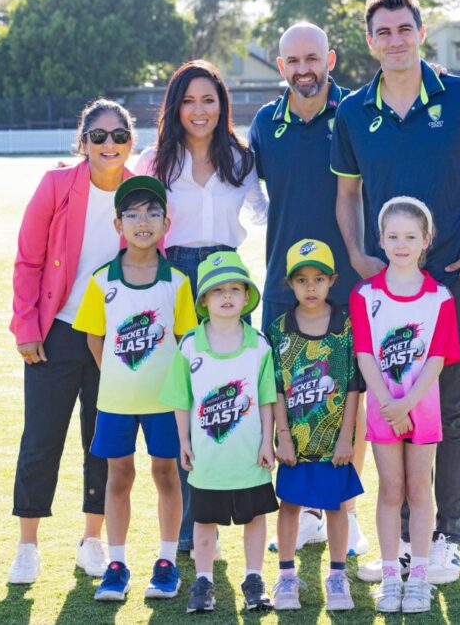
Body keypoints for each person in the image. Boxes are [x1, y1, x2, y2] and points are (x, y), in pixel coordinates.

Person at [332, 0, 460, 584]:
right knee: (393, 408)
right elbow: (347, 193)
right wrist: (357, 254)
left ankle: (445, 540)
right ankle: (404, 546)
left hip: (456, 285)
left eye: (404, 29)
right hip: (389, 294)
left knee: (452, 411)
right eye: (383, 32)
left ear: (421, 32)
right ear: (369, 42)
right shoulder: (353, 112)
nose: (395, 40)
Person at [136, 59, 268, 556]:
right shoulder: (156, 160)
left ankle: (239, 508)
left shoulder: (240, 158)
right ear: (175, 106)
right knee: (186, 401)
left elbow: (264, 211)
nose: (199, 110)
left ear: (222, 106)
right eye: (189, 100)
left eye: (208, 100)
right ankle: (192, 525)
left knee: (230, 397)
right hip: (174, 279)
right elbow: (133, 217)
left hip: (227, 278)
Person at [249, 22, 370, 558]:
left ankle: (346, 510)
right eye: (293, 61)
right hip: (284, 285)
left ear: (331, 59)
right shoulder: (263, 124)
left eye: (313, 58)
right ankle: (303, 511)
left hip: (348, 283)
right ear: (281, 67)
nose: (304, 69)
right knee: (289, 399)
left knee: (349, 398)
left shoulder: (356, 113)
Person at [7, 99, 137, 584]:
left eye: (119, 135)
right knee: (41, 439)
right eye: (98, 136)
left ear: (130, 142)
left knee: (100, 442)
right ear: (82, 142)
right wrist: (26, 327)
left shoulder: (140, 191)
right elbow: (28, 259)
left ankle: (92, 540)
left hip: (113, 338)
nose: (109, 144)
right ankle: (27, 546)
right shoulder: (56, 185)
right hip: (55, 331)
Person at [71, 176, 197, 601]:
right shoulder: (101, 281)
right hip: (116, 401)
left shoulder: (177, 281)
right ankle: (117, 563)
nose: (143, 222)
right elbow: (94, 338)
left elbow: (184, 340)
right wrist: (116, 376)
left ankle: (166, 561)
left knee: (166, 474)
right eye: (133, 214)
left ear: (166, 223)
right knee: (119, 475)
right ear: (118, 224)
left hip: (164, 403)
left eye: (152, 213)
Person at [349, 197, 460, 613]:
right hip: (383, 409)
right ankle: (390, 575)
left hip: (422, 407)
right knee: (391, 489)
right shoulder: (365, 295)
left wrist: (408, 403)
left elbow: (437, 357)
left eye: (411, 237)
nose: (401, 244)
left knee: (418, 489)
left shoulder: (439, 297)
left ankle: (419, 577)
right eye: (393, 236)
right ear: (379, 240)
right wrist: (388, 404)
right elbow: (364, 353)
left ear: (426, 240)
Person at [158, 252, 279, 613]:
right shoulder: (190, 344)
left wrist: (267, 441)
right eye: (217, 290)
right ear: (204, 301)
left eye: (235, 289)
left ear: (246, 297)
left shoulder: (258, 344)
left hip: (249, 455)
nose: (227, 296)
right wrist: (183, 441)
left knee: (255, 516)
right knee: (204, 519)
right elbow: (181, 399)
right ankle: (204, 580)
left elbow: (267, 398)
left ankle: (254, 578)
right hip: (208, 457)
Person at [266, 238, 364, 612]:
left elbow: (353, 387)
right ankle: (286, 576)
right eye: (302, 280)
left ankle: (337, 576)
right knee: (289, 504)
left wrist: (346, 439)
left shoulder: (346, 327)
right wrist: (284, 438)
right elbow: (276, 389)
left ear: (332, 280)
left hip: (334, 441)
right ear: (289, 283)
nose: (311, 287)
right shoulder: (279, 330)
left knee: (337, 505)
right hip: (296, 441)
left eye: (319, 279)